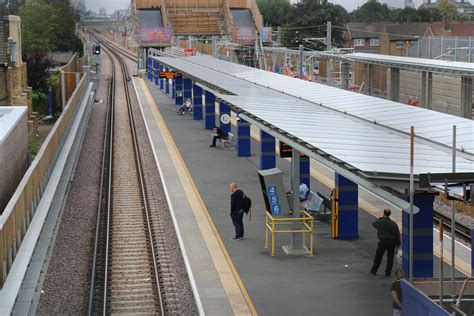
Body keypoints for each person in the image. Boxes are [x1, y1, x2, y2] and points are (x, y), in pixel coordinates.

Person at [370, 209, 401, 277]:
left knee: (378, 256)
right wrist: (398, 243)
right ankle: (388, 272)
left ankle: (374, 270)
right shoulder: (393, 224)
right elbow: (397, 235)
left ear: (384, 213)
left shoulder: (380, 221)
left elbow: (373, 224)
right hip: (391, 243)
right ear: (390, 214)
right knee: (390, 258)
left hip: (382, 242)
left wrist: (381, 218)